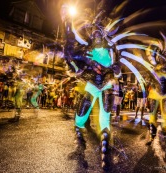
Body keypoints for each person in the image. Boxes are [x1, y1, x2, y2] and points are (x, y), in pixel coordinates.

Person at [60, 2, 121, 170]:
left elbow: (117, 70)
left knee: (104, 117)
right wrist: (66, 24)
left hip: (106, 83)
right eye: (94, 32)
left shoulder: (112, 48)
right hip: (91, 83)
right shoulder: (86, 48)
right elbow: (71, 57)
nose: (96, 35)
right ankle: (81, 134)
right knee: (81, 115)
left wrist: (115, 70)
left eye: (99, 32)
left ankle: (104, 143)